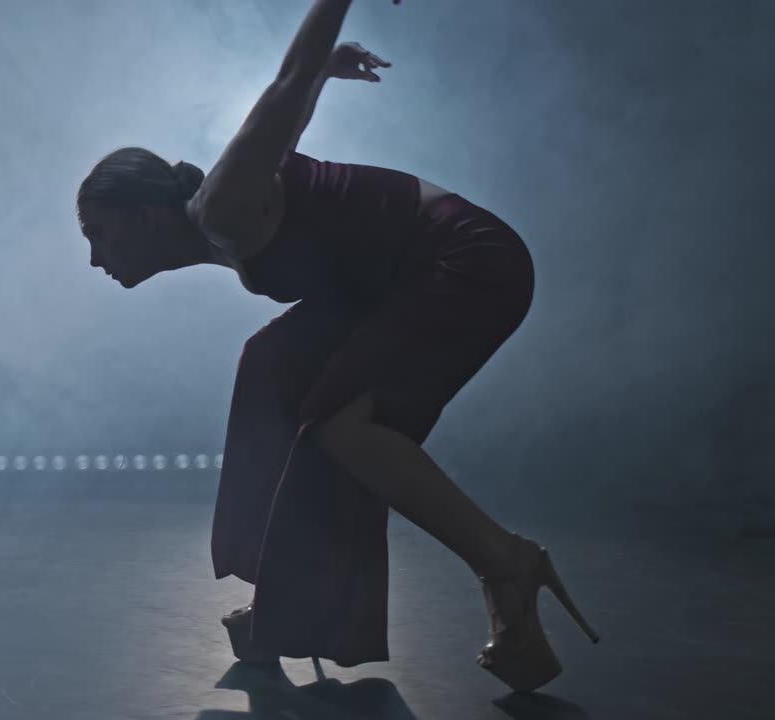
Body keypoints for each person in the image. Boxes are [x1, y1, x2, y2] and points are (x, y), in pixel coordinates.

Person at [74, 0, 598, 694]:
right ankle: (294, 599)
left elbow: (284, 91)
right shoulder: (224, 229)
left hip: (467, 259)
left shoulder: (224, 207)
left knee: (345, 426)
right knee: (274, 366)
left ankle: (505, 561)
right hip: (393, 283)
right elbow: (297, 106)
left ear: (145, 217)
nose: (93, 259)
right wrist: (326, 70)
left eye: (98, 234)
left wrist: (320, 47)